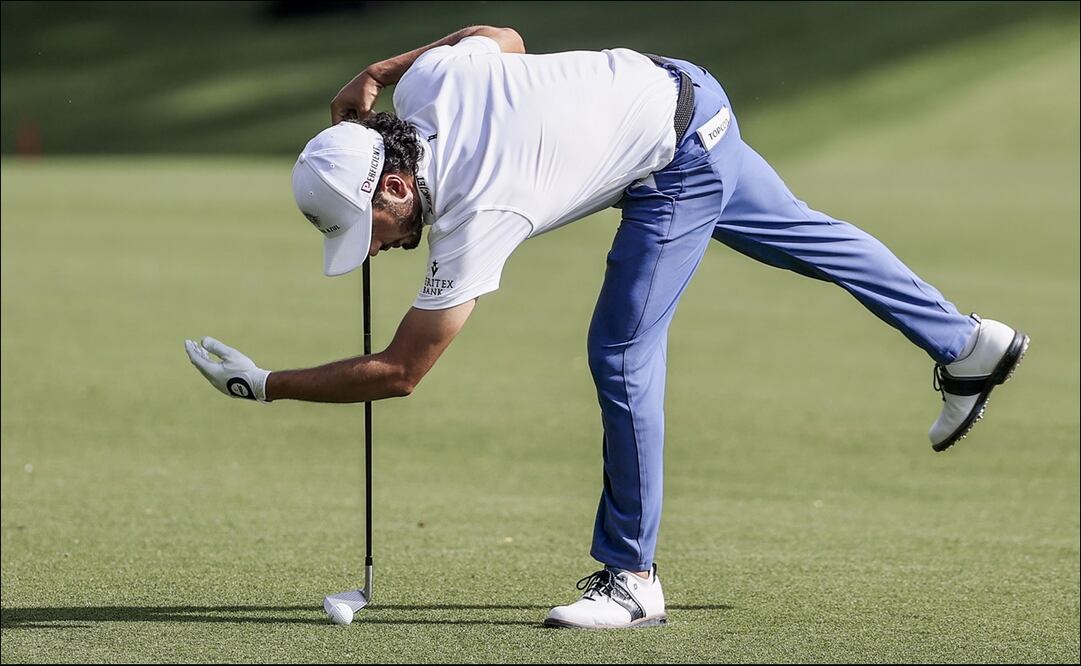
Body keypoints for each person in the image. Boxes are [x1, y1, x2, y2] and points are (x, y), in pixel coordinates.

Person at [184, 25, 1029, 629]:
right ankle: (966, 344)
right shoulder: (430, 85)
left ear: (396, 188)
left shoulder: (482, 208)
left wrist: (266, 385)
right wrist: (385, 65)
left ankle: (631, 578)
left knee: (619, 351)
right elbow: (499, 35)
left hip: (671, 159)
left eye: (365, 230)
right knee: (805, 237)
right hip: (681, 87)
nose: (372, 251)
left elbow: (404, 369)